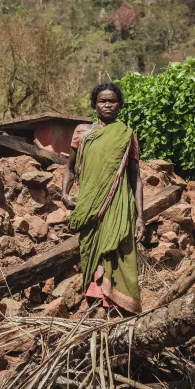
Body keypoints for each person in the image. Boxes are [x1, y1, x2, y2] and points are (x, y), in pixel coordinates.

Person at [61, 83, 144, 314]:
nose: (107, 105)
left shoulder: (127, 136)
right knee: (92, 251)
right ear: (94, 105)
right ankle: (97, 307)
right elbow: (68, 168)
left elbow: (135, 178)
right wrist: (64, 195)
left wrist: (141, 217)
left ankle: (121, 311)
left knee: (120, 255)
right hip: (89, 207)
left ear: (120, 105)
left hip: (119, 208)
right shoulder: (82, 132)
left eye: (112, 101)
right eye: (102, 101)